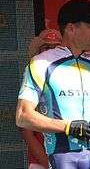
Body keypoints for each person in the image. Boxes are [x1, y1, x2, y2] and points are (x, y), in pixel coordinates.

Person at [16, 0, 90, 169]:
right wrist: (69, 127)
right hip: (62, 155)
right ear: (71, 28)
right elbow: (22, 116)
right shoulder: (41, 63)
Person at [21, 29, 62, 169]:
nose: (50, 52)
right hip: (42, 162)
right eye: (46, 48)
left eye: (55, 48)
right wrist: (49, 163)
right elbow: (27, 133)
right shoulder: (32, 81)